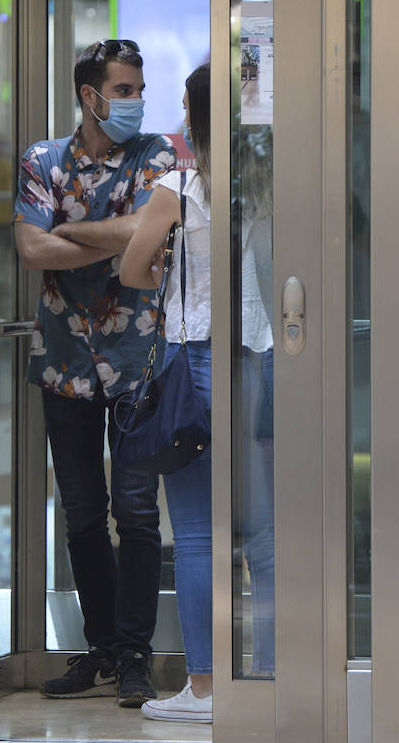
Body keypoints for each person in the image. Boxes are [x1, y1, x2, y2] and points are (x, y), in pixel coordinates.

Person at [13, 39, 176, 707]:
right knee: (83, 514)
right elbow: (28, 246)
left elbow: (152, 232)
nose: (136, 102)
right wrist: (118, 232)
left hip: (141, 364)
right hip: (65, 365)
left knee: (138, 515)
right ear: (90, 96)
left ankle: (136, 653)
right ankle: (103, 646)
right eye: (125, 90)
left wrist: (69, 232)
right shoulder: (41, 159)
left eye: (138, 89)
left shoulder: (157, 155)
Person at [121, 64, 276, 723]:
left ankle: (207, 691)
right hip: (263, 359)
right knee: (266, 537)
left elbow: (133, 269)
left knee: (194, 535)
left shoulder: (177, 189)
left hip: (194, 366)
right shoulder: (268, 186)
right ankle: (267, 680)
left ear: (195, 115)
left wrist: (166, 262)